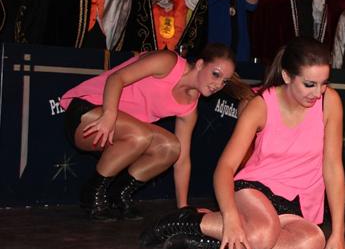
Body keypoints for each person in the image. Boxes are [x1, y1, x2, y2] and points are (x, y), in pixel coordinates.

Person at [141, 37, 345, 249]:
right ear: (287, 76)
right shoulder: (260, 106)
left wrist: (338, 233)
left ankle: (199, 241)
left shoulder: (330, 101)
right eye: (309, 84)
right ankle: (182, 222)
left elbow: (333, 167)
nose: (318, 92)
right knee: (263, 234)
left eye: (324, 83)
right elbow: (225, 168)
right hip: (256, 192)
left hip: (298, 202)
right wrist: (231, 218)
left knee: (312, 244)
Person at [60, 43, 251, 221]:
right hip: (88, 116)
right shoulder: (168, 62)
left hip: (121, 133)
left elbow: (182, 160)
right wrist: (109, 114)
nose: (218, 84)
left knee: (172, 147)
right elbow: (116, 78)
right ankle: (92, 193)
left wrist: (183, 207)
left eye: (224, 81)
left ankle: (119, 193)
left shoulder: (189, 106)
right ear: (200, 64)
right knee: (140, 136)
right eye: (215, 74)